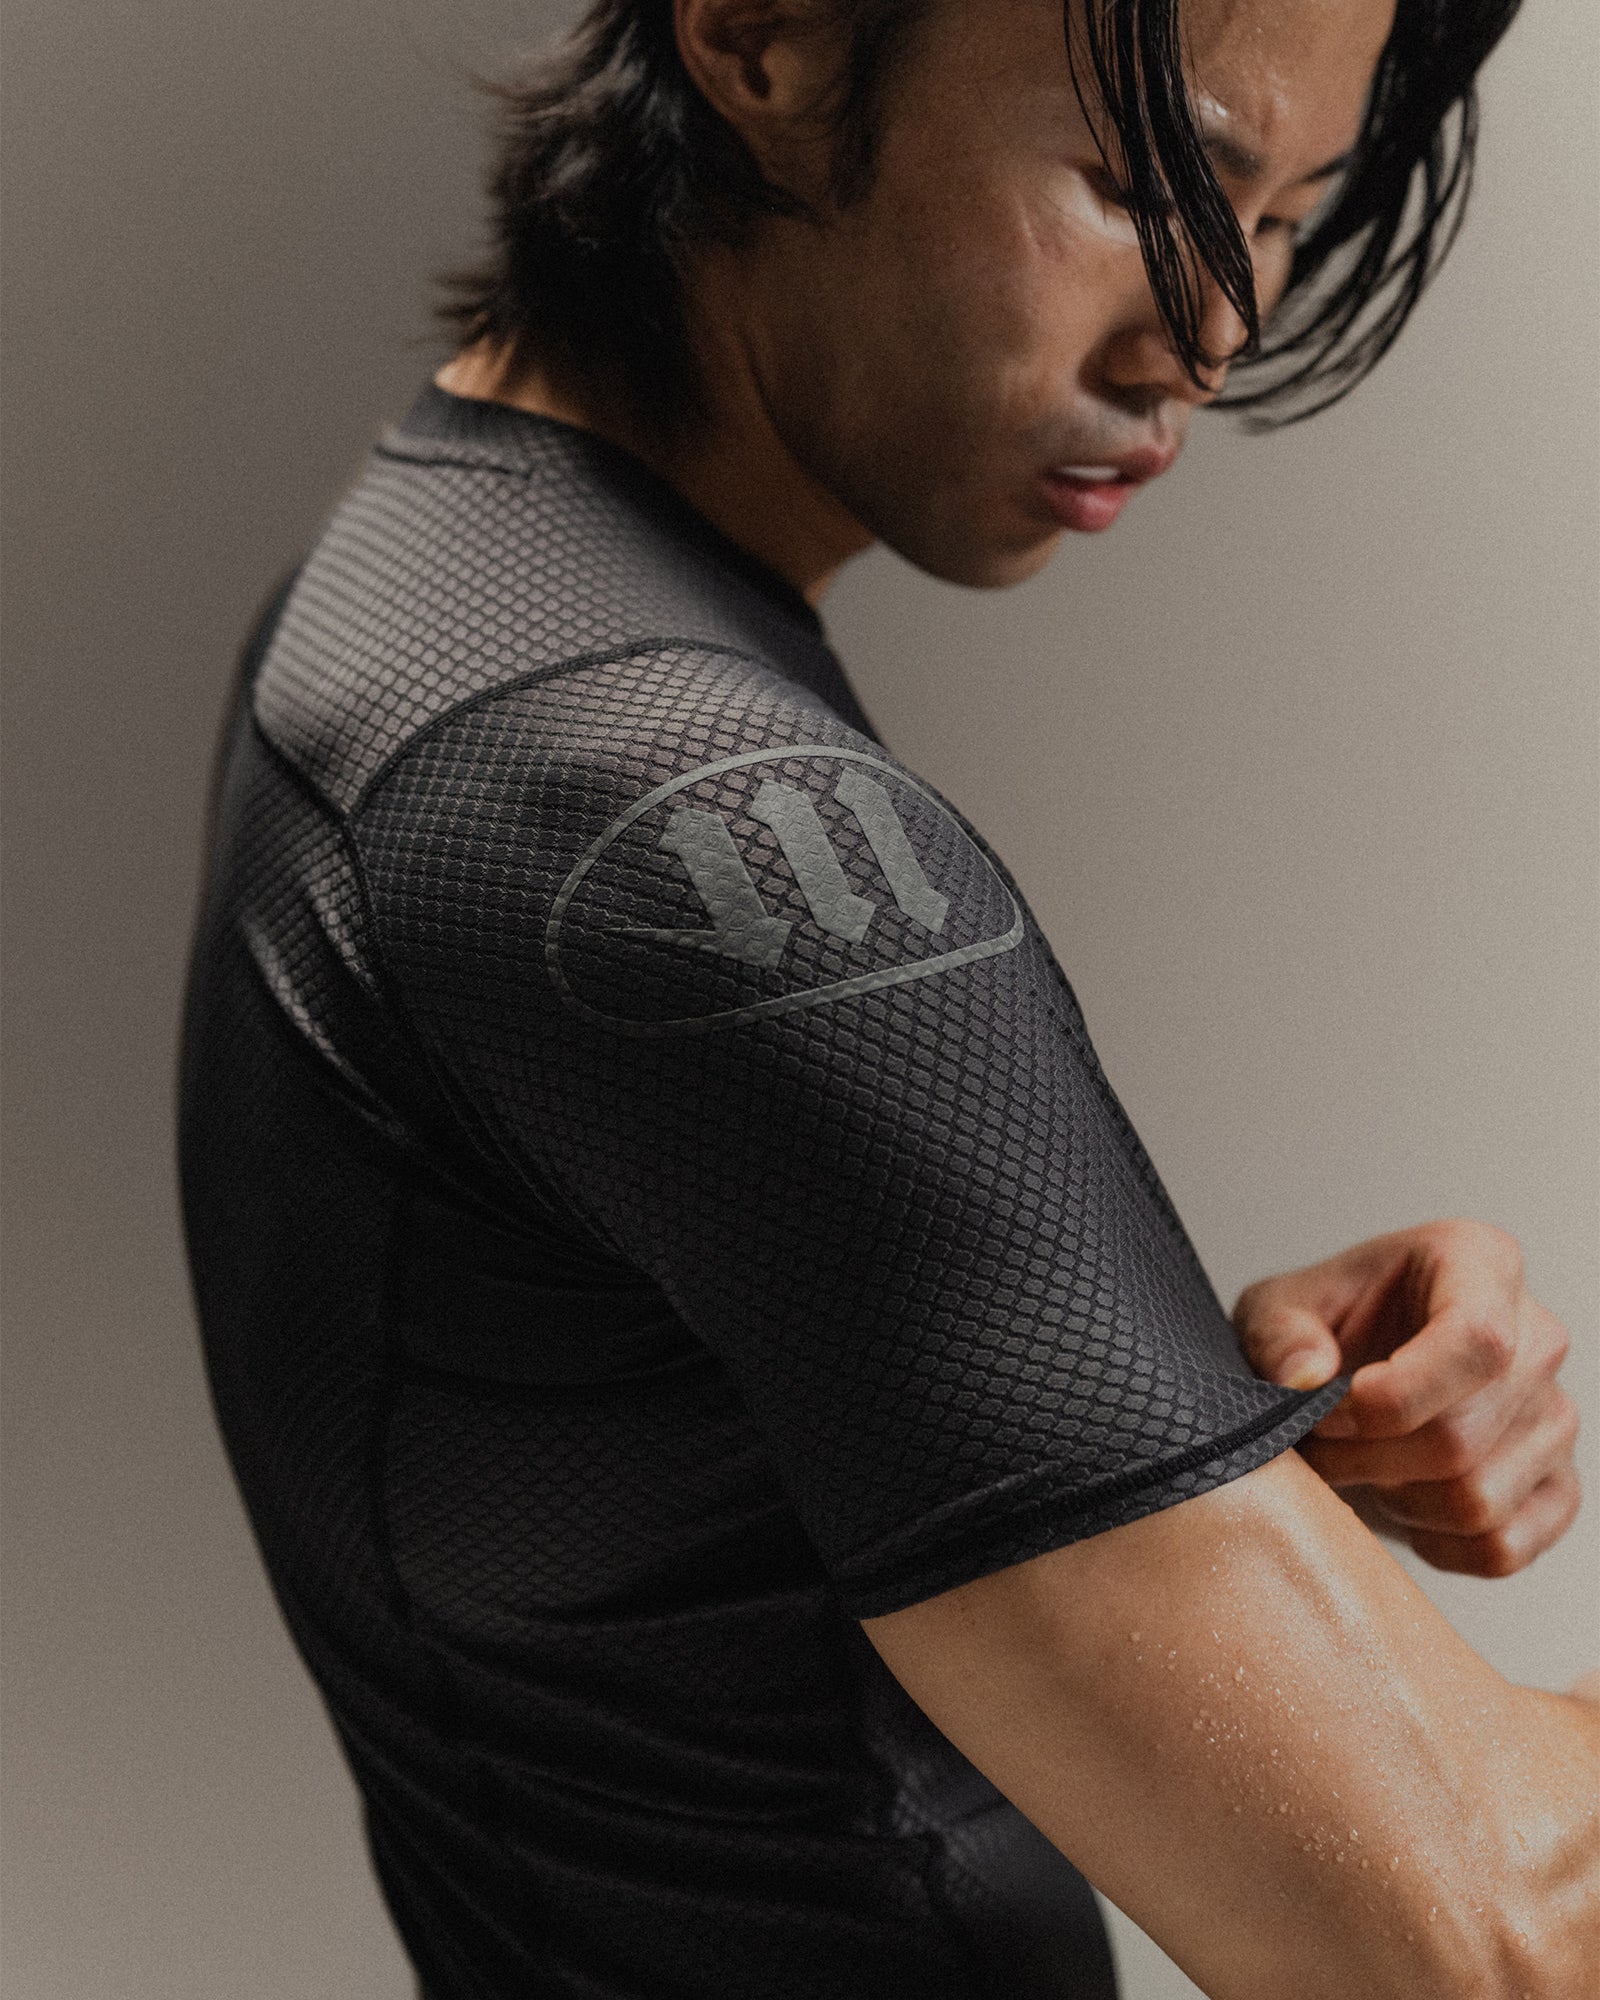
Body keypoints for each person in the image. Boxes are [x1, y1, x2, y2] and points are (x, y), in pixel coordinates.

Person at [177, 0, 1597, 1992]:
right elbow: (1487, 1942)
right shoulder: (677, 820)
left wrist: (1190, 1433)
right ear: (765, 31)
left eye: (1288, 213)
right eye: (1141, 184)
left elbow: (669, 1545)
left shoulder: (452, 589)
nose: (1205, 332)